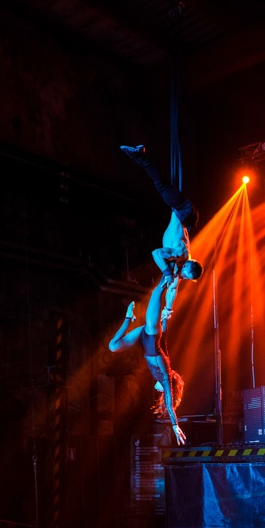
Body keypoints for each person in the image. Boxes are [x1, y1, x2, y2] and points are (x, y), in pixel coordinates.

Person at [120, 144, 204, 312]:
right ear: (187, 266)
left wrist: (168, 309)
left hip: (189, 220)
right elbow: (156, 253)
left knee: (166, 187)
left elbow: (174, 288)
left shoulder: (182, 262)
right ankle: (139, 155)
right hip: (184, 211)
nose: (183, 278)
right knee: (161, 185)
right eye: (186, 276)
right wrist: (167, 272)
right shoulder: (179, 255)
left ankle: (141, 156)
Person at [108, 275, 187, 446]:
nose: (159, 391)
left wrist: (165, 324)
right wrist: (175, 425)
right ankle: (171, 274)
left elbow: (164, 344)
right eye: (163, 392)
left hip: (143, 338)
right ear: (169, 387)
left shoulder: (164, 368)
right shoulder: (165, 376)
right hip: (151, 332)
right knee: (156, 293)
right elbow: (169, 404)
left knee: (113, 346)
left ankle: (128, 318)